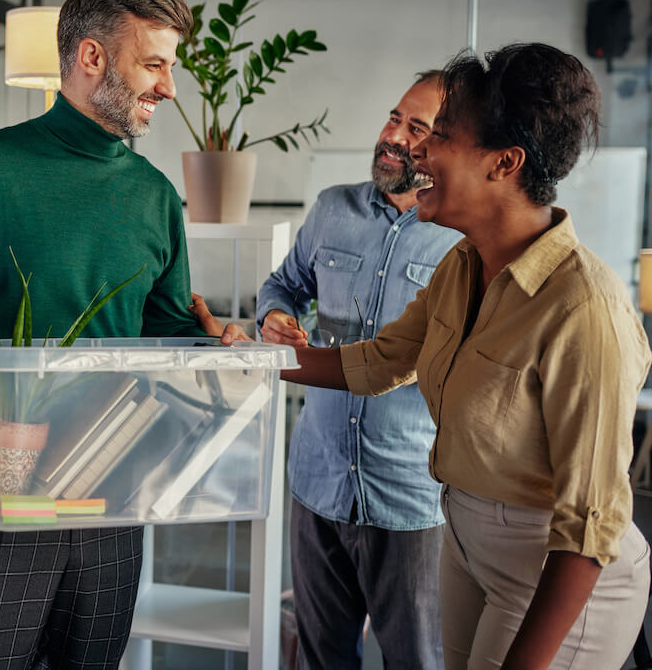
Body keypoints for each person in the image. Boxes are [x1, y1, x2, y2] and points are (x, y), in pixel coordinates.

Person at [0, 0, 243, 669]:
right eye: (155, 65)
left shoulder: (157, 196)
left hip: (113, 499)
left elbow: (163, 328)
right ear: (91, 58)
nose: (169, 88)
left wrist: (215, 341)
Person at [278, 43, 651, 669]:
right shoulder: (462, 264)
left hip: (555, 574)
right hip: (466, 542)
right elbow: (381, 360)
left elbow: (590, 524)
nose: (415, 149)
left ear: (505, 162)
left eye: (441, 136)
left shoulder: (584, 307)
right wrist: (252, 359)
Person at [236, 71, 459, 669]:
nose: (393, 136)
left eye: (417, 128)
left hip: (410, 495)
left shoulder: (459, 242)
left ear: (446, 145)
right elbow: (284, 283)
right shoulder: (332, 208)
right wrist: (275, 316)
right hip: (318, 482)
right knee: (321, 658)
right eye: (393, 118)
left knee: (418, 659)